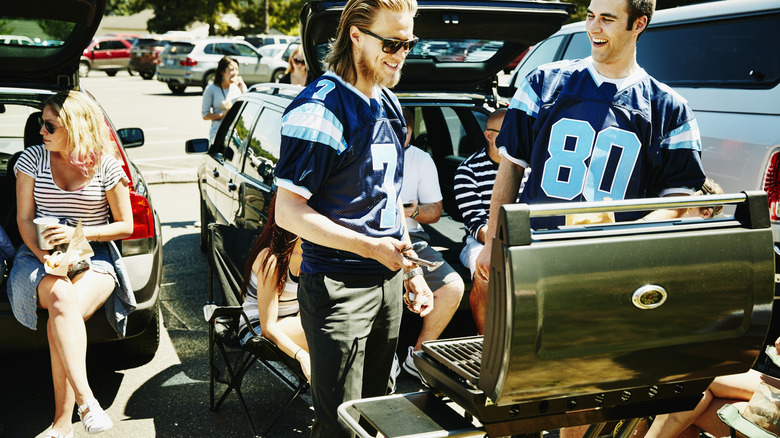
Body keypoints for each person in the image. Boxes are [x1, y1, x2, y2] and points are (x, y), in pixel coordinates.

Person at [272, 0, 433, 436]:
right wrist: (369, 247)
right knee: (342, 422)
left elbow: (387, 197)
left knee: (381, 412)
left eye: (409, 43)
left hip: (389, 279)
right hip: (338, 288)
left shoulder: (390, 103)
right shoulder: (319, 109)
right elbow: (287, 212)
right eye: (393, 42)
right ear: (356, 35)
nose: (402, 54)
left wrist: (411, 269)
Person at [474, 0, 706, 285]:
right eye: (591, 16)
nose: (593, 27)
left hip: (617, 262)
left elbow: (679, 194)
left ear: (639, 24)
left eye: (607, 19)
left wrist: (634, 234)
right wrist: (492, 242)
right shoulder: (543, 82)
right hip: (538, 249)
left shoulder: (669, 107)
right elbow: (511, 167)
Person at [9, 91, 134, 437]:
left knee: (60, 323)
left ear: (75, 127)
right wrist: (44, 255)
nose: (41, 131)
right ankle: (86, 402)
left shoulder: (106, 165)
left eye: (49, 125)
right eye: (40, 124)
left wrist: (80, 233)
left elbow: (126, 225)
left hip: (95, 256)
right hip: (38, 254)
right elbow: (24, 219)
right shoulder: (32, 160)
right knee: (62, 303)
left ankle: (62, 425)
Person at [399, 106, 464, 382]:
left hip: (414, 238)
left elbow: (435, 211)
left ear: (411, 132)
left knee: (453, 287)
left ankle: (417, 357)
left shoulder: (420, 160)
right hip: (372, 238)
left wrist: (411, 212)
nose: (397, 136)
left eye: (403, 131)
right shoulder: (367, 154)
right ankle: (383, 361)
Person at [453, 108, 514, 334]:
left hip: (522, 239)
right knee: (485, 269)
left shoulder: (528, 168)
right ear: (489, 136)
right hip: (481, 241)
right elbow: (476, 224)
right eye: (508, 131)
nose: (516, 136)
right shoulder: (467, 171)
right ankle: (485, 342)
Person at [239, 194, 311, 381]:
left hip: (292, 322)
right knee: (327, 329)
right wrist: (302, 356)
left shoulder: (313, 256)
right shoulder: (271, 259)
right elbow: (267, 327)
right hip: (256, 329)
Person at [202, 56, 247, 143]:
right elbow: (205, 115)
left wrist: (243, 89)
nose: (235, 73)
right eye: (231, 70)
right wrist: (223, 115)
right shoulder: (211, 89)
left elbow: (248, 108)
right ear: (222, 72)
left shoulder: (239, 87)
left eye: (236, 69)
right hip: (218, 133)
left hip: (236, 134)